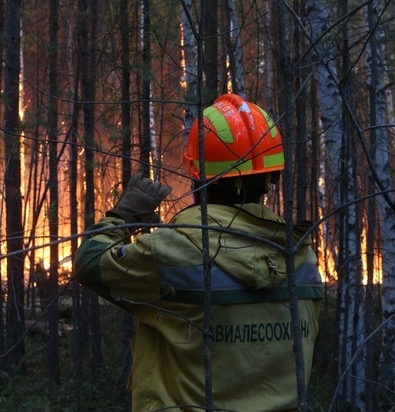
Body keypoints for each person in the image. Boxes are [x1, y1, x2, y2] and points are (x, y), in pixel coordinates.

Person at [74, 93, 323, 411]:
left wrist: (123, 217)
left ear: (196, 173)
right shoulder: (302, 256)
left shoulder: (172, 252)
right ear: (273, 176)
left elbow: (90, 263)